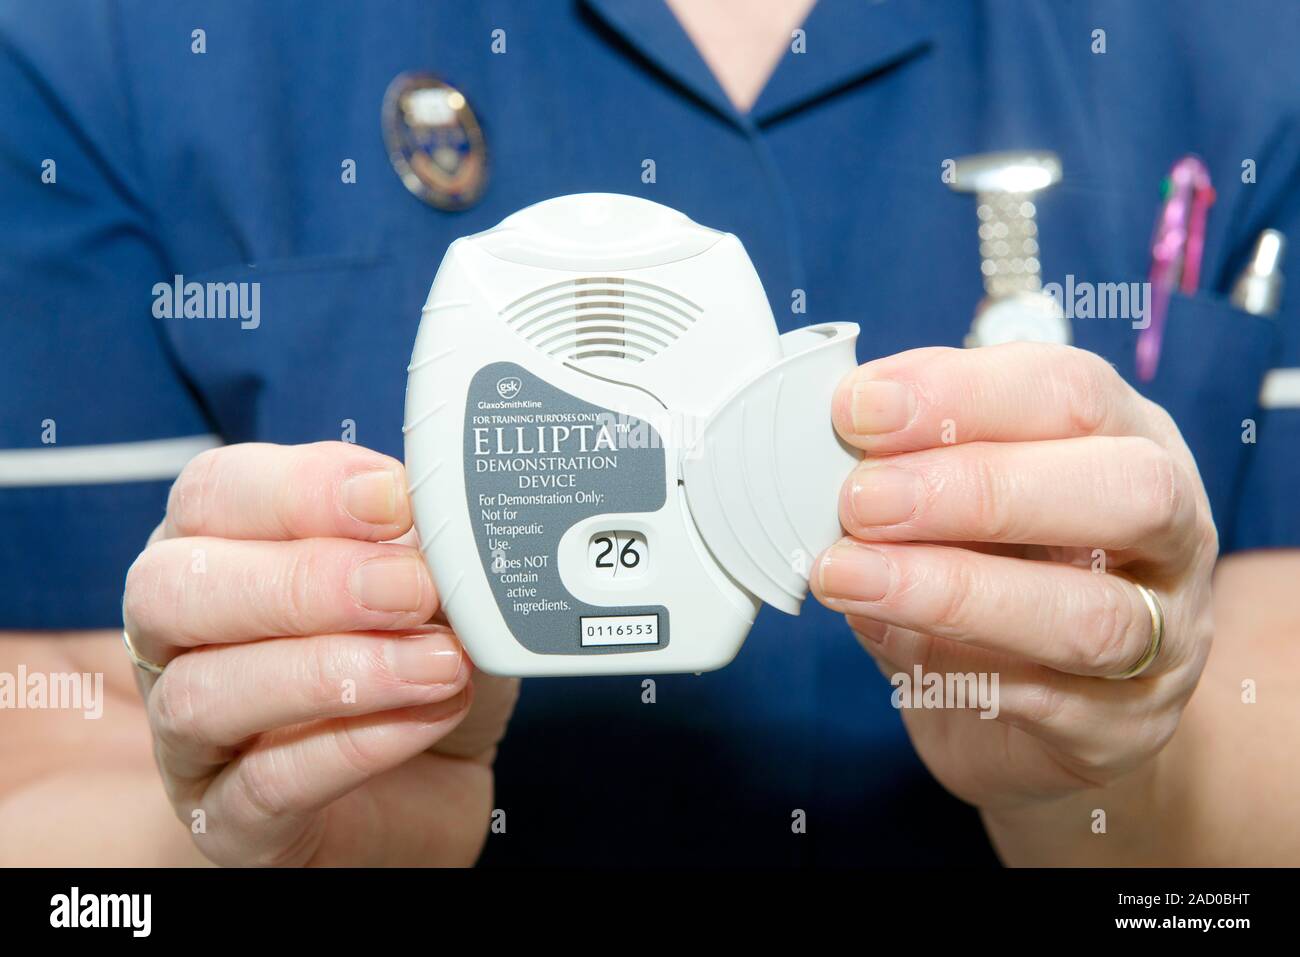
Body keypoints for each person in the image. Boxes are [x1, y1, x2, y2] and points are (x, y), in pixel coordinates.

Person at [2, 0, 1298, 867]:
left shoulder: (1245, 45)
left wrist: (1114, 791)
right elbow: (43, 786)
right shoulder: (106, 41)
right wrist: (226, 843)